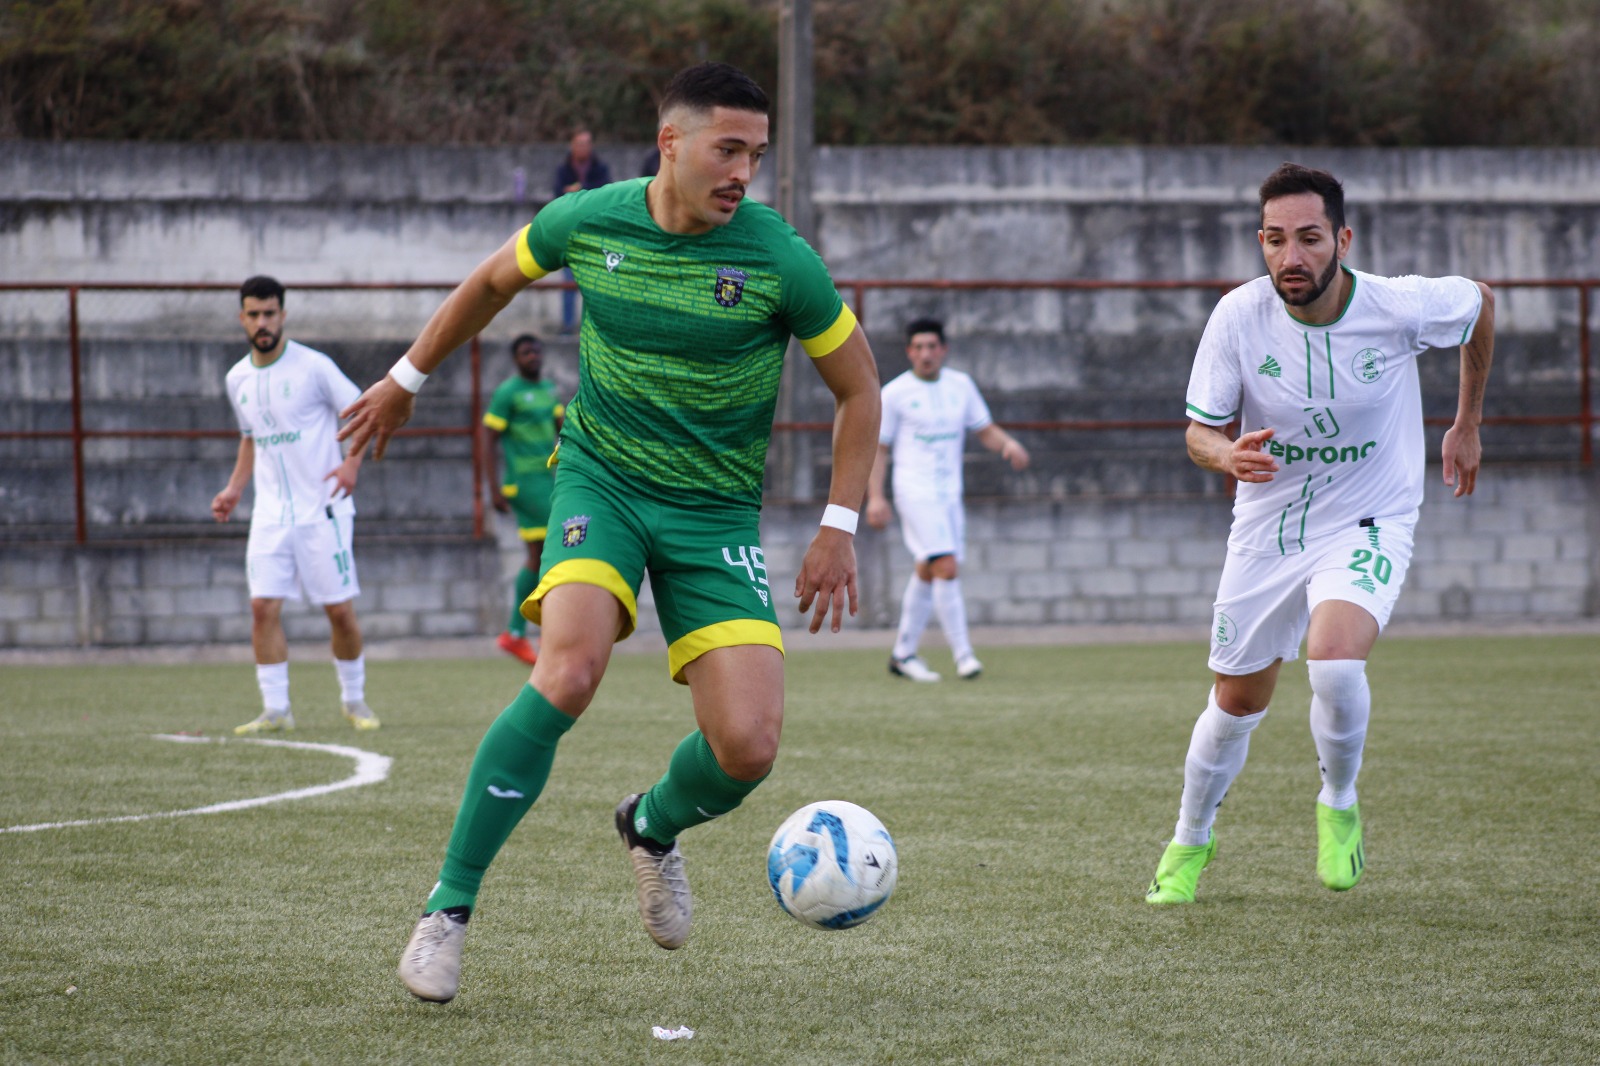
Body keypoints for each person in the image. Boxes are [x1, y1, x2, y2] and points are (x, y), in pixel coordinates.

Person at [339, 62, 881, 1003]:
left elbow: (859, 387)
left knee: (749, 747)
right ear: (669, 144)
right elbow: (491, 281)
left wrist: (839, 524)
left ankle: (652, 824)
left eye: (755, 154)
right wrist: (405, 379)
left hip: (714, 514)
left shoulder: (776, 258)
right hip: (603, 482)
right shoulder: (588, 220)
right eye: (727, 150)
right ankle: (448, 909)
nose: (743, 172)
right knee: (569, 669)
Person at [1144, 162, 1494, 904]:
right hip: (1270, 526)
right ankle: (1190, 840)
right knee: (1237, 701)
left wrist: (1467, 423)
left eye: (1307, 238)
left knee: (1334, 663)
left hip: (1370, 516)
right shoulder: (1238, 317)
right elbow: (1199, 431)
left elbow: (1480, 305)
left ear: (1342, 237)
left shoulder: (1396, 306)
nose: (1290, 258)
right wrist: (1225, 453)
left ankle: (1338, 803)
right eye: (1274, 240)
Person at [211, 275, 380, 735]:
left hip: (322, 510)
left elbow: (364, 412)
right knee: (262, 608)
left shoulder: (314, 367)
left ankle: (354, 699)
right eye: (254, 314)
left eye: (270, 313)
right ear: (241, 318)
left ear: (283, 315)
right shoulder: (237, 378)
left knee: (339, 611)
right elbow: (251, 440)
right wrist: (233, 490)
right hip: (270, 514)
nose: (262, 322)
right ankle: (276, 709)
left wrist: (351, 466)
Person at [865, 317, 1029, 682]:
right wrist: (876, 497)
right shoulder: (894, 394)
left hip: (949, 494)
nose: (926, 354)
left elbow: (983, 429)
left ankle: (903, 654)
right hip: (914, 491)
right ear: (909, 352)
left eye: (932, 346)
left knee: (928, 569)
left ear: (943, 349)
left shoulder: (961, 386)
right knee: (947, 566)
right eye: (918, 347)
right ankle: (964, 655)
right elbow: (880, 449)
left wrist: (1008, 444)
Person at [482, 332, 564, 665]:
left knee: (539, 554)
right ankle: (538, 631)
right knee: (550, 550)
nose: (532, 355)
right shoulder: (507, 393)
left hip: (548, 479)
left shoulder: (548, 390)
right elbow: (487, 439)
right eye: (525, 352)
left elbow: (563, 427)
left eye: (536, 350)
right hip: (524, 482)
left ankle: (517, 633)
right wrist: (493, 488)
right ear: (516, 358)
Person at [551, 128, 612, 332]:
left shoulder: (600, 168)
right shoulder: (563, 169)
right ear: (572, 145)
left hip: (595, 232)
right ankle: (568, 326)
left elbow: (606, 192)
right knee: (569, 283)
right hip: (571, 233)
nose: (583, 148)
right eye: (579, 143)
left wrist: (580, 188)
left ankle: (594, 327)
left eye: (586, 143)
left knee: (595, 283)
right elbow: (558, 194)